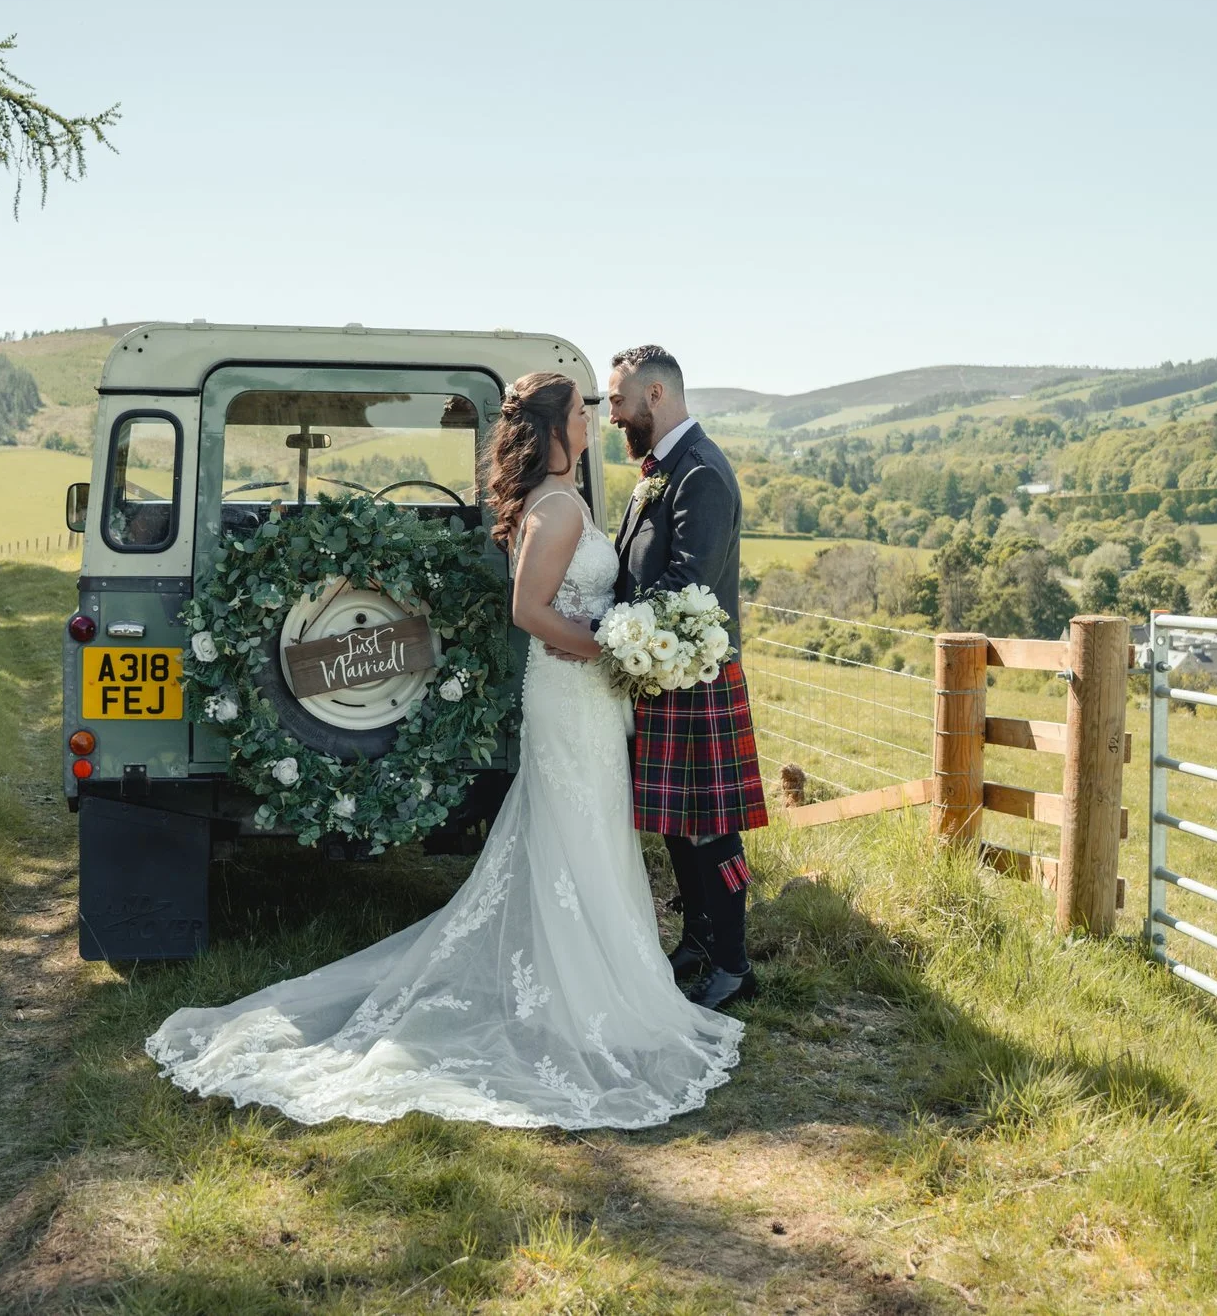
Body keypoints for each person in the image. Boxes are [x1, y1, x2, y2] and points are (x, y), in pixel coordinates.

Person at [145, 371, 743, 1129]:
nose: (595, 423)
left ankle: (591, 979)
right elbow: (529, 610)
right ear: (556, 429)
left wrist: (617, 646)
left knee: (585, 832)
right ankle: (583, 996)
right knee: (577, 830)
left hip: (586, 692)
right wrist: (606, 646)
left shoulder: (567, 498)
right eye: (582, 417)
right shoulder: (557, 507)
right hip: (571, 686)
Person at [603, 344, 765, 1011]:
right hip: (664, 673)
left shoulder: (699, 472)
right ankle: (698, 938)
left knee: (712, 826)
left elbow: (686, 583)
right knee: (674, 819)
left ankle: (734, 962)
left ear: (657, 394)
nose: (612, 412)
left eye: (618, 398)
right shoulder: (663, 469)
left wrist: (610, 631)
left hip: (696, 676)